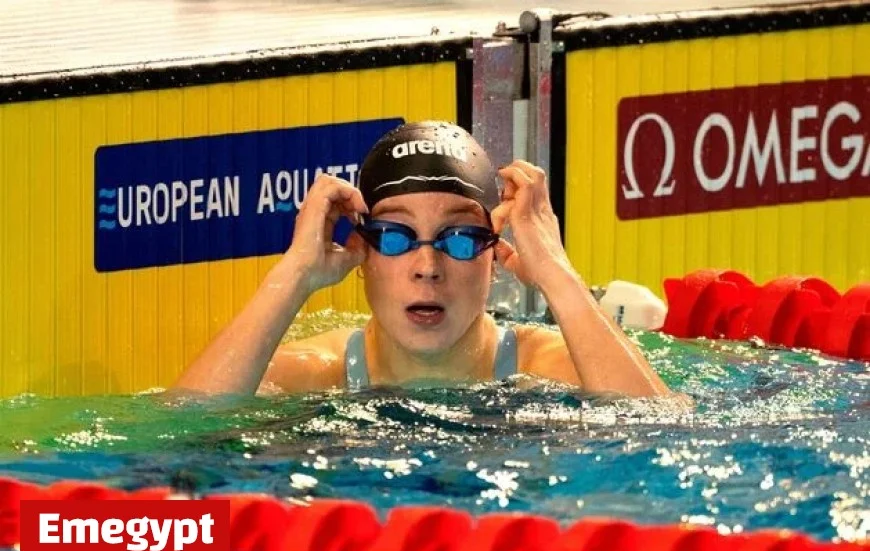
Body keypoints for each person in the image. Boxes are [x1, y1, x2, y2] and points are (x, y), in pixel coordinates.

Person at [173, 121, 681, 401]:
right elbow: (177, 441)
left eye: (459, 238)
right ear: (363, 253)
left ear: (495, 256)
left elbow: (662, 436)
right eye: (395, 237)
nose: (427, 266)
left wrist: (557, 277)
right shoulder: (316, 372)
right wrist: (292, 276)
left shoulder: (543, 366)